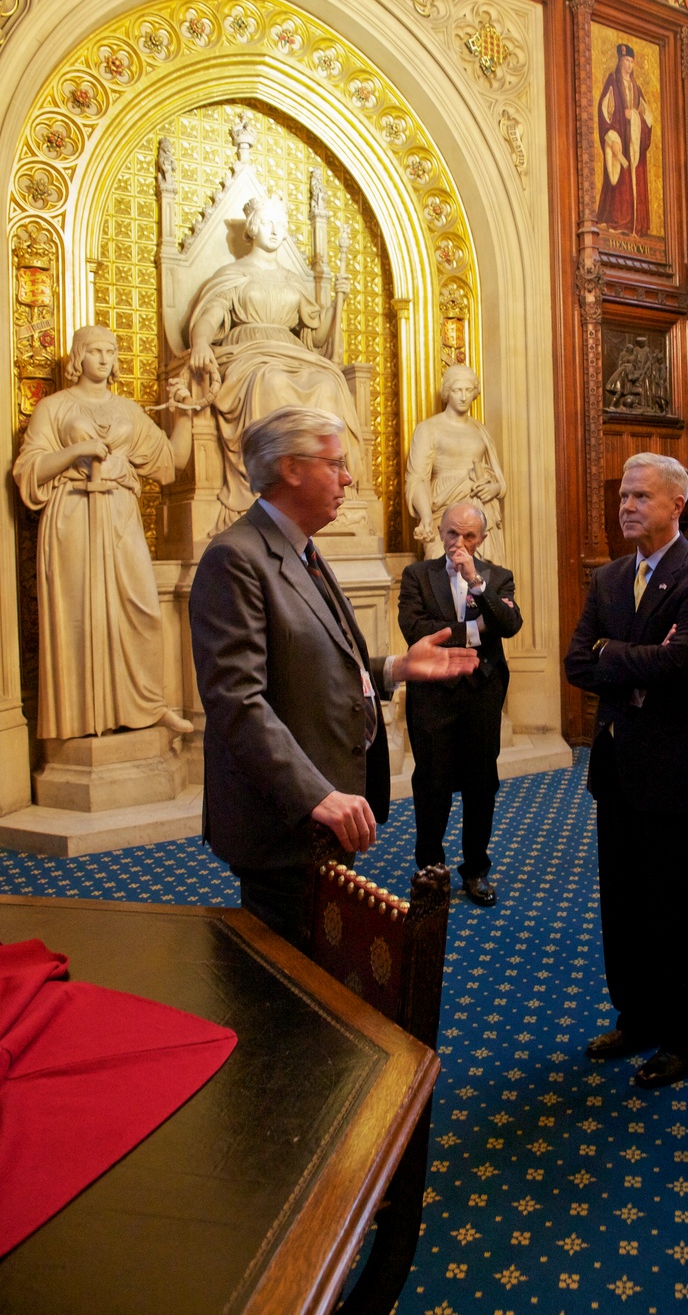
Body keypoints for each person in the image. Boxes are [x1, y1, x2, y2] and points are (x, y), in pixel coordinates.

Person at [188, 405, 478, 952]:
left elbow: (310, 669)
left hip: (323, 819)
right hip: (284, 824)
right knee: (288, 994)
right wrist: (315, 794)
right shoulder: (235, 558)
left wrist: (397, 668)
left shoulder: (301, 549)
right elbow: (237, 701)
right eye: (337, 464)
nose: (349, 479)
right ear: (292, 468)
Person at [565, 453, 688, 1089]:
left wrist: (616, 656)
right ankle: (635, 1017)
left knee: (680, 912)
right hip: (618, 769)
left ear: (676, 506)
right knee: (626, 905)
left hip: (681, 775)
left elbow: (683, 664)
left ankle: (686, 1038)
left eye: (641, 497)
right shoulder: (608, 578)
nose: (627, 506)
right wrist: (629, 658)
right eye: (623, 497)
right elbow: (578, 664)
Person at [13, 325, 193, 741]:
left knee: (141, 610)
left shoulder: (128, 411)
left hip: (119, 514)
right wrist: (76, 450)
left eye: (110, 351)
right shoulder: (55, 408)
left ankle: (148, 705)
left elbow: (170, 462)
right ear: (78, 356)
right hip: (72, 517)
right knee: (81, 615)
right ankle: (83, 717)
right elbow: (27, 470)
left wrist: (184, 415)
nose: (104, 359)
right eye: (95, 351)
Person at [186, 195, 364, 531]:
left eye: (281, 224)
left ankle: (324, 485)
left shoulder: (294, 281)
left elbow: (317, 332)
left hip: (293, 350)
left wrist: (337, 300)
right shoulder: (233, 274)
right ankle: (272, 488)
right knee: (270, 380)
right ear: (253, 227)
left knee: (328, 383)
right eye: (268, 222)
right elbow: (211, 314)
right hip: (250, 351)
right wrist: (199, 341)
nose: (275, 230)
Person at [398, 501, 522, 907]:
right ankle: (430, 869)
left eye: (469, 536)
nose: (459, 543)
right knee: (431, 784)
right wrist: (473, 631)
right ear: (441, 532)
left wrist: (477, 585)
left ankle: (476, 870)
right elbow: (414, 630)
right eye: (453, 533)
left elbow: (509, 626)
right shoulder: (418, 575)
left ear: (481, 539)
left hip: (481, 693)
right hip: (433, 695)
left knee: (481, 784)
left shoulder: (498, 578)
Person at [404, 364, 506, 564]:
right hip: (444, 509)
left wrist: (495, 488)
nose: (463, 396)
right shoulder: (429, 429)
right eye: (457, 390)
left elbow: (497, 476)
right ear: (447, 393)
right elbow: (417, 478)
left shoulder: (480, 431)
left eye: (468, 390)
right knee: (443, 571)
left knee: (484, 574)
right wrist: (425, 517)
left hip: (482, 512)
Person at [596, 43, 653, 237]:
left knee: (634, 180)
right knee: (620, 185)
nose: (628, 65)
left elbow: (648, 117)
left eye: (631, 61)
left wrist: (635, 117)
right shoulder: (613, 82)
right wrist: (612, 135)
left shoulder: (636, 87)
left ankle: (636, 225)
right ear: (619, 62)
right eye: (625, 61)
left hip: (635, 143)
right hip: (620, 141)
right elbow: (605, 110)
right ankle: (619, 222)